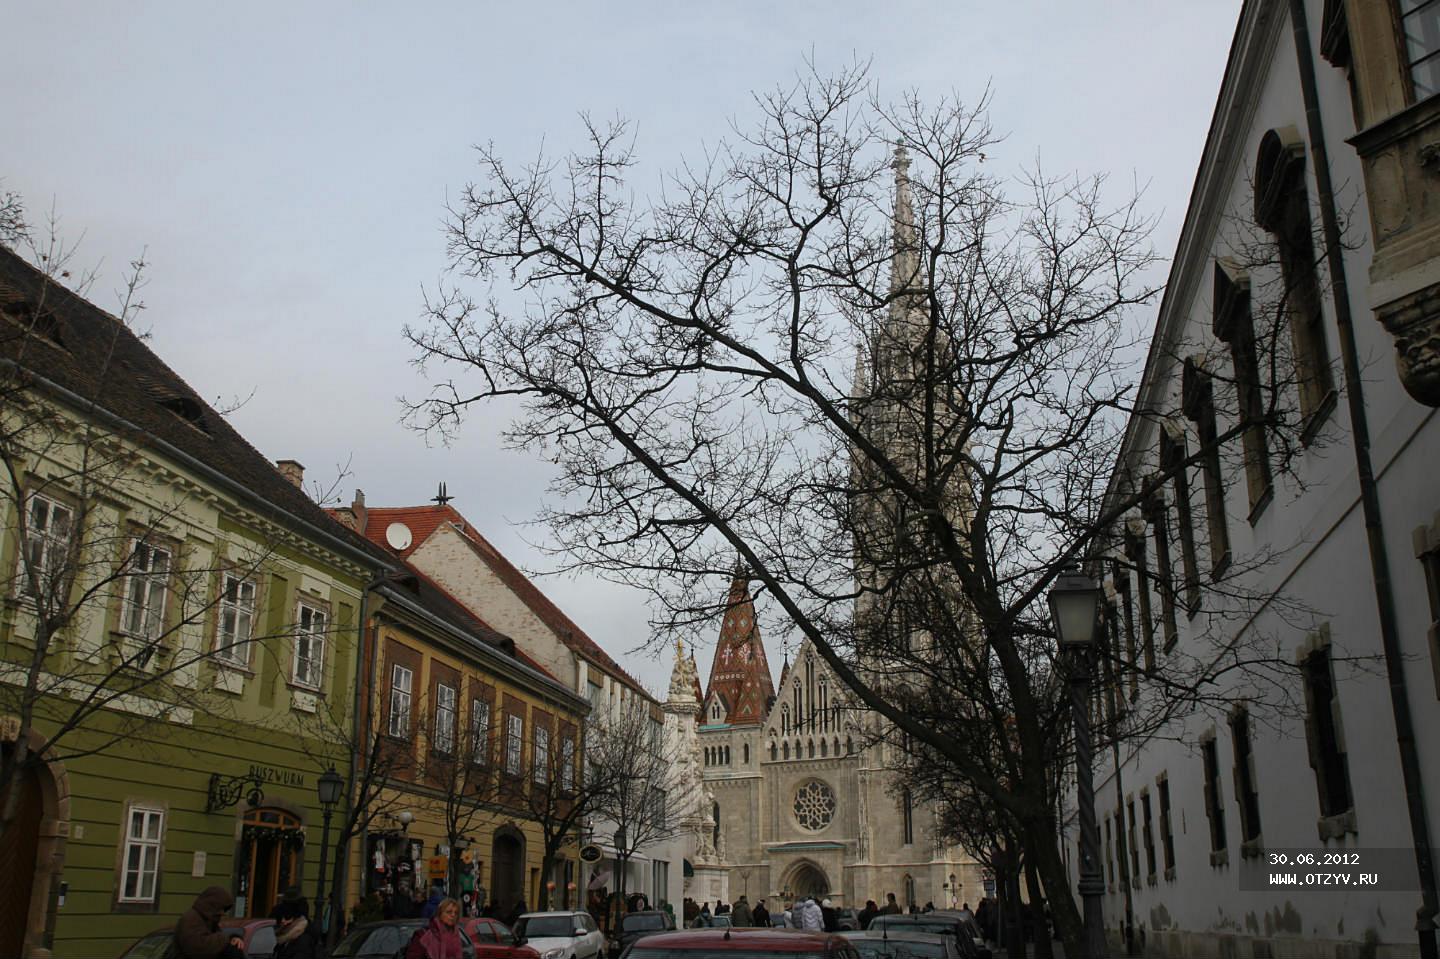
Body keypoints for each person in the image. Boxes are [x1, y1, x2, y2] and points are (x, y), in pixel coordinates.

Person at [172, 886, 245, 959]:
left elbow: (216, 941)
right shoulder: (191, 919)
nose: (223, 913)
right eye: (222, 908)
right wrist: (226, 940)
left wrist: (232, 939)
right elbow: (196, 946)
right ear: (213, 905)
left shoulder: (208, 920)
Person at [271, 887, 318, 959]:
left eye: (287, 917)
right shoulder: (284, 940)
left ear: (297, 919)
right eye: (280, 919)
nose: (283, 922)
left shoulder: (303, 941)